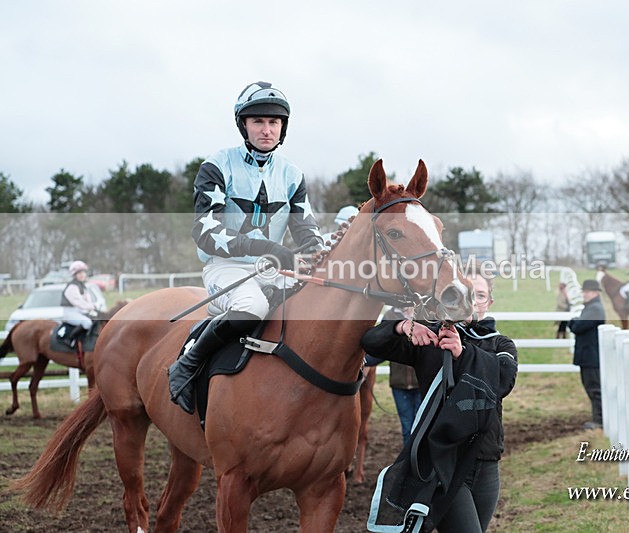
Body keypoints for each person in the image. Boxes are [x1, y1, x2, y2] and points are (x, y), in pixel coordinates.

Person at [168, 81, 324, 414]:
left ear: (283, 127)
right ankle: (187, 362)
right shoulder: (216, 166)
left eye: (274, 122)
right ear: (244, 125)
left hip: (275, 269)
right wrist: (266, 247)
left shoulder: (293, 174)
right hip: (226, 268)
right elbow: (205, 231)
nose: (266, 129)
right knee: (251, 307)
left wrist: (318, 255)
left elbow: (307, 231)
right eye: (258, 121)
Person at [362, 270, 518, 533]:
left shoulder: (500, 343)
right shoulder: (430, 340)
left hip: (487, 461)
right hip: (443, 464)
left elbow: (502, 381)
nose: (471, 300)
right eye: (463, 294)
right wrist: (402, 326)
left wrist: (463, 352)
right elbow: (370, 342)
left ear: (488, 302)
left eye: (479, 295)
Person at [366, 306, 423, 447]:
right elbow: (383, 345)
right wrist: (364, 361)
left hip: (421, 382)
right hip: (399, 384)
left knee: (421, 426)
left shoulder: (424, 313)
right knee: (407, 426)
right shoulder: (390, 315)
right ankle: (408, 462)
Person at [568, 279, 606, 430]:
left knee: (594, 388)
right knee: (592, 388)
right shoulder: (592, 307)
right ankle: (598, 419)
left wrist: (573, 322)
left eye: (587, 291)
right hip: (589, 355)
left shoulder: (594, 309)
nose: (584, 294)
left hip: (591, 355)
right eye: (584, 291)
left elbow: (578, 326)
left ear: (595, 293)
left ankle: (599, 421)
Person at [60, 260, 98, 348]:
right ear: (74, 275)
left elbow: (87, 301)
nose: (82, 275)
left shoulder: (82, 286)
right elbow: (79, 302)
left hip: (78, 312)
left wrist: (93, 309)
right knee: (87, 323)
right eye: (79, 273)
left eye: (83, 272)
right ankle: (69, 339)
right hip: (69, 313)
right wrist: (91, 307)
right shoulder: (72, 287)